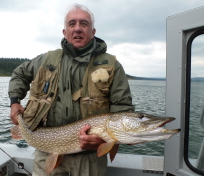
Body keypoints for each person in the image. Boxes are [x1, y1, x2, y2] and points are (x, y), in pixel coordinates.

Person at [8, 3, 134, 176]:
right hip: (46, 151)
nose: (77, 29)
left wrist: (104, 139)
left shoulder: (112, 66)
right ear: (64, 32)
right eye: (72, 24)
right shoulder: (46, 60)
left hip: (89, 160)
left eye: (84, 24)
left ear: (93, 32)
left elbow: (123, 111)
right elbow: (19, 74)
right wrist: (15, 102)